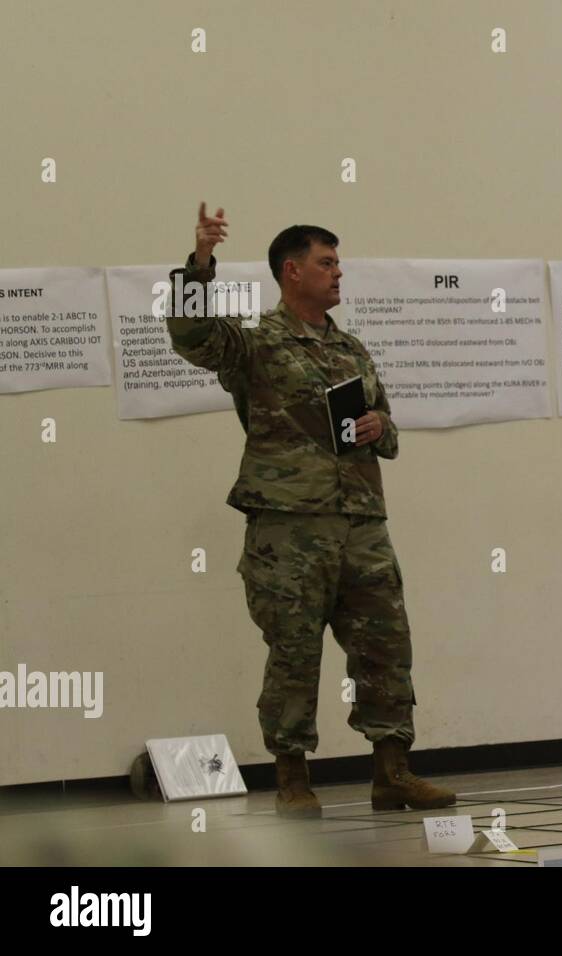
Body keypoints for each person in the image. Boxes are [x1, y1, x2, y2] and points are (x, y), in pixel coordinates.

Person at [166, 202, 455, 817]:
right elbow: (191, 338)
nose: (338, 273)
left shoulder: (351, 349)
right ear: (291, 271)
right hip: (289, 528)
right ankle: (293, 779)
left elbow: (390, 434)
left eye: (339, 262)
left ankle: (392, 772)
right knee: (295, 651)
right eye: (327, 263)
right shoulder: (257, 345)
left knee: (386, 647)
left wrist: (382, 426)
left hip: (363, 526)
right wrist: (199, 263)